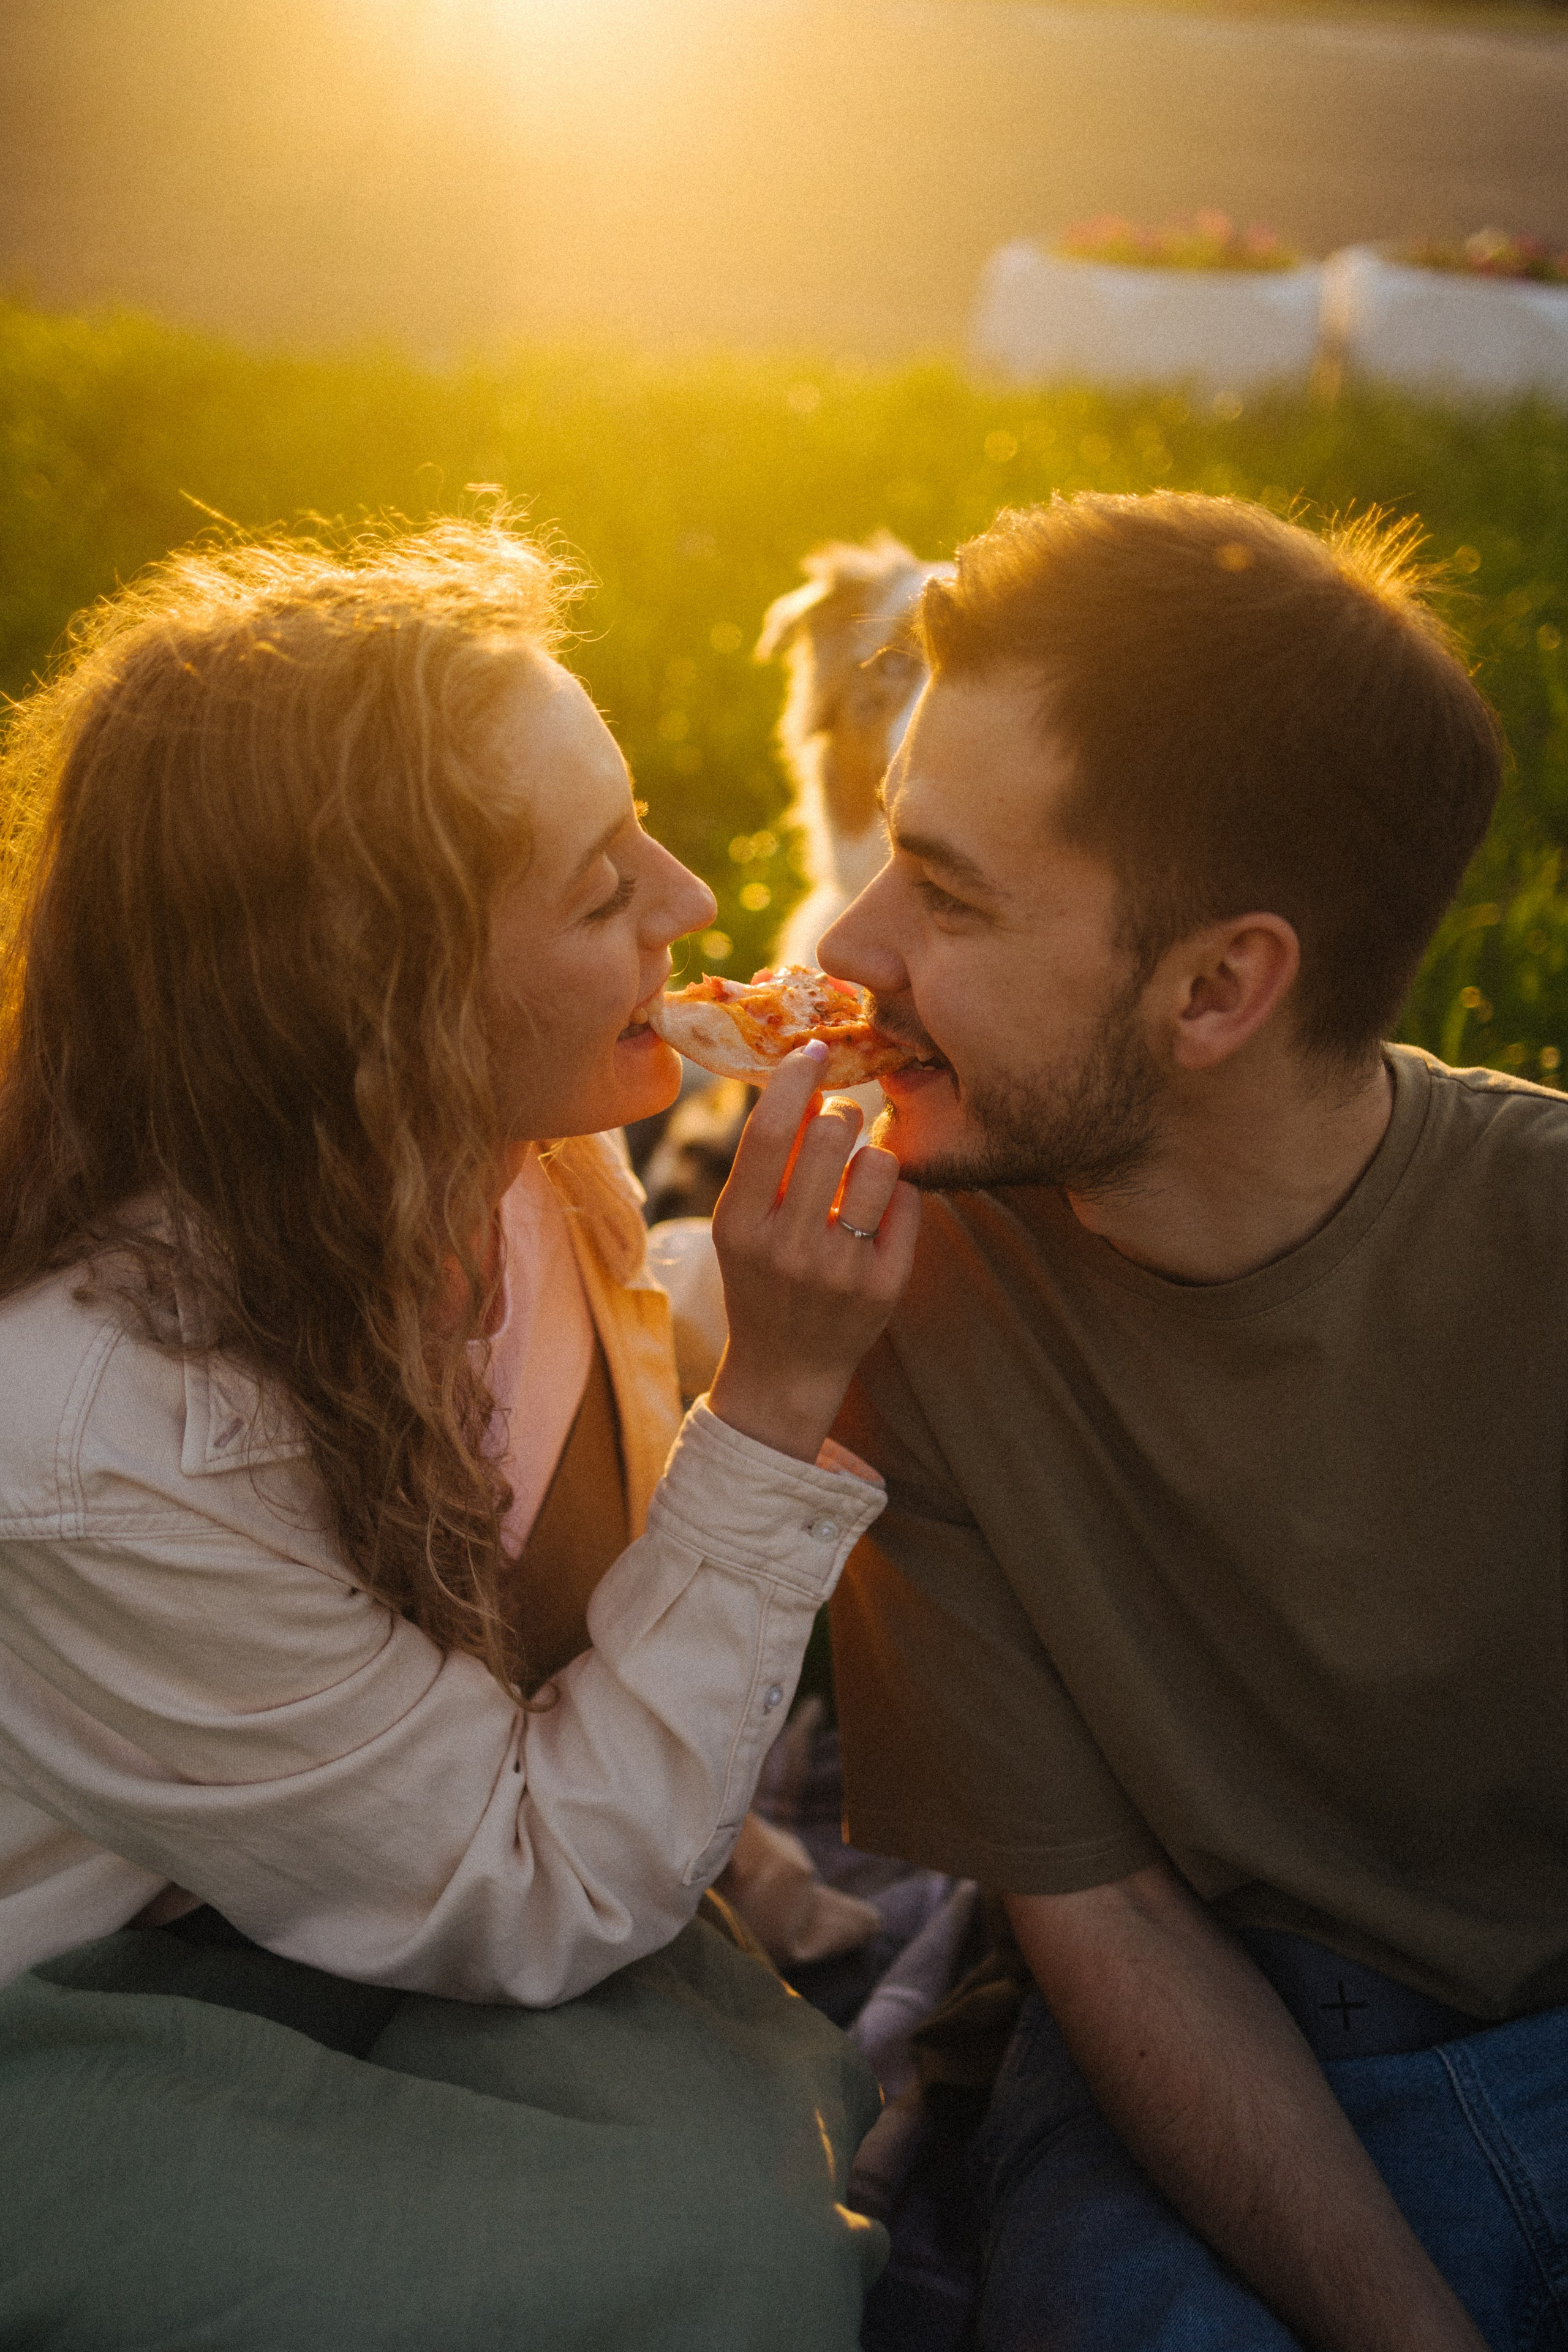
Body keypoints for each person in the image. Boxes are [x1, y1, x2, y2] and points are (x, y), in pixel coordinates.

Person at [0, 513, 919, 2350]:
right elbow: (533, 1886)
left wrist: (805, 1276)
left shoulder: (501, 1152)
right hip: (109, 1980)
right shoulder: (96, 1442)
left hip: (414, 1885)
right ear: (379, 1000)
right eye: (597, 892)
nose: (693, 904)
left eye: (639, 827)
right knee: (699, 2263)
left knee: (759, 2202)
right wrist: (776, 1405)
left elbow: (580, 1392)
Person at [818, 490, 1568, 2350]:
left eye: (947, 893)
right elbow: (1115, 1925)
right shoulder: (901, 1299)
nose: (848, 940)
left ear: (1221, 987)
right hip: (1203, 2065)